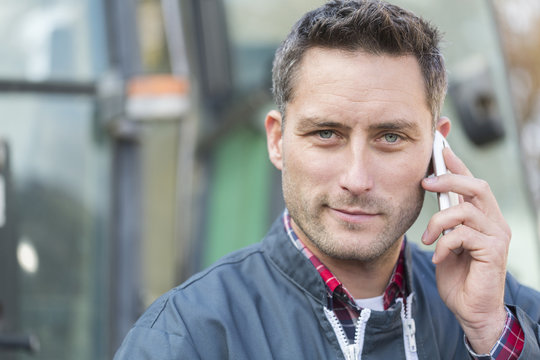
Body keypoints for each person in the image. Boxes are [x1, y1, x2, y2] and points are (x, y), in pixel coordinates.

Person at [115, 1, 540, 359]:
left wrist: (489, 333)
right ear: (277, 141)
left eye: (390, 137)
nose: (356, 179)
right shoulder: (185, 338)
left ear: (436, 151)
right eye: (326, 134)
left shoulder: (509, 317)